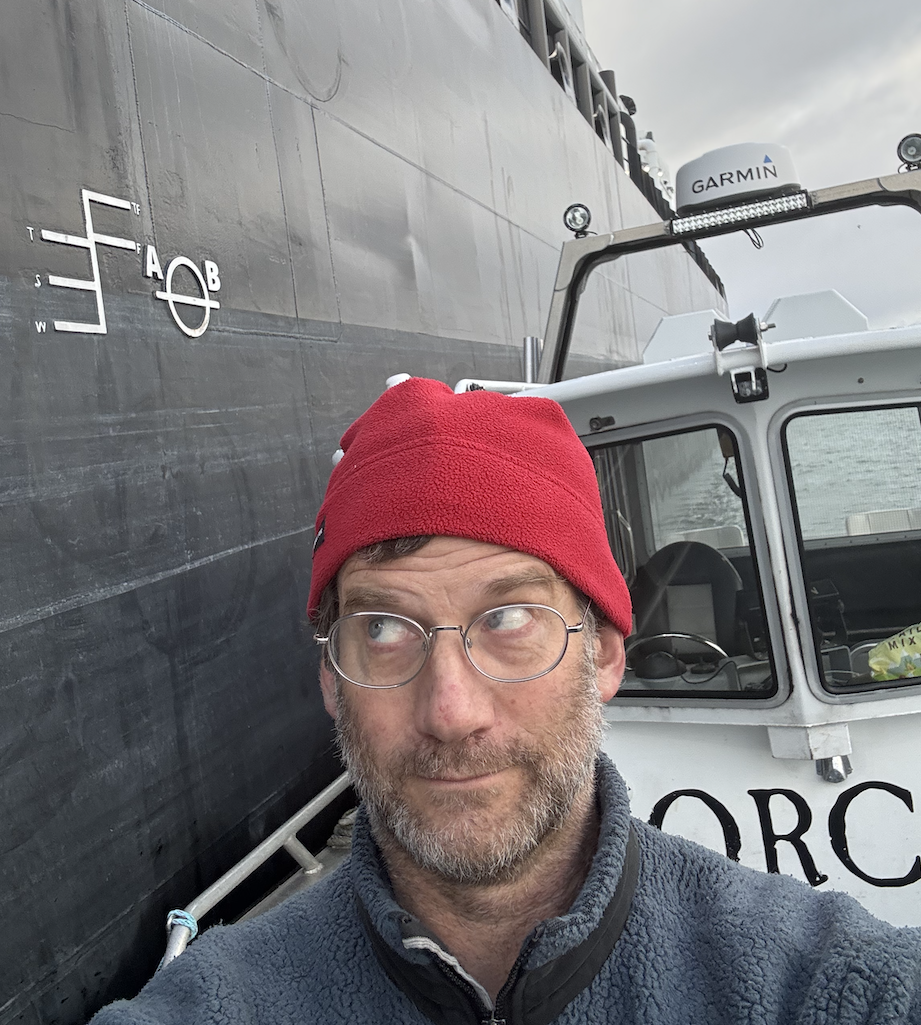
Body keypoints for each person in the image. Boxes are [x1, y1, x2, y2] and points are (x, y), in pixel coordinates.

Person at [92, 378, 921, 1024]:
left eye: (510, 619)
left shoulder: (811, 980)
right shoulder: (221, 1001)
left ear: (600, 654)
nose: (451, 711)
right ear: (329, 680)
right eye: (382, 628)